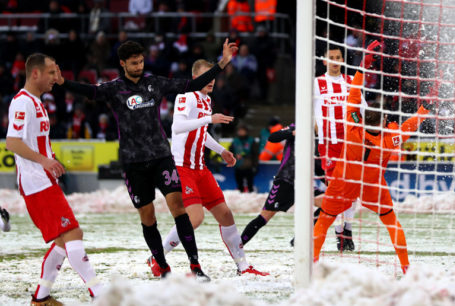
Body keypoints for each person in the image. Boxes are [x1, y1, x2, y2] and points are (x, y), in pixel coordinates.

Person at [54, 39, 238, 279]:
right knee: (148, 216)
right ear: (122, 64)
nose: (139, 66)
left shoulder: (154, 83)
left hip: (162, 157)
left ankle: (196, 266)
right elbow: (90, 91)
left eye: (141, 61)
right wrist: (62, 82)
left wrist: (222, 63)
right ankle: (162, 266)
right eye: (134, 63)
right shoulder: (115, 89)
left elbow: (194, 83)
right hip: (133, 163)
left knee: (179, 208)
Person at [312, 41, 432, 274]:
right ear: (384, 122)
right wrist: (424, 108)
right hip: (372, 184)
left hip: (344, 179)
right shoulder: (389, 139)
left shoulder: (352, 128)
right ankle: (406, 267)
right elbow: (408, 125)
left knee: (324, 219)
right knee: (390, 221)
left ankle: (313, 262)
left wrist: (362, 66)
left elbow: (354, 96)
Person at [149, 59, 268, 277]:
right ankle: (157, 258)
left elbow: (200, 133)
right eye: (207, 76)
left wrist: (221, 150)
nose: (211, 81)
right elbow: (177, 127)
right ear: (196, 78)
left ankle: (243, 266)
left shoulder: (207, 101)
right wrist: (209, 118)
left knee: (226, 215)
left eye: (213, 76)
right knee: (195, 218)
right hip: (181, 167)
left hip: (200, 168)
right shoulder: (186, 96)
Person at [6, 53, 103, 305]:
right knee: (73, 233)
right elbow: (12, 142)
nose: (56, 77)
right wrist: (44, 161)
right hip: (36, 182)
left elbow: (34, 141)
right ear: (35, 73)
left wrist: (51, 159)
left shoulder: (38, 102)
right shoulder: (22, 102)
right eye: (51, 72)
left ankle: (41, 298)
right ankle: (100, 294)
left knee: (62, 241)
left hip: (44, 180)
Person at [313, 44, 365, 251]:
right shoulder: (316, 84)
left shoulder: (352, 82)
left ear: (342, 60)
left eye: (338, 57)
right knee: (336, 191)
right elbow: (306, 110)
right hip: (330, 146)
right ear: (324, 61)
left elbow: (363, 109)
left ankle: (347, 231)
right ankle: (337, 231)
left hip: (351, 144)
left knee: (352, 190)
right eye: (331, 57)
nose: (335, 61)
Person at [241, 124, 324, 245]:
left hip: (304, 183)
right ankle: (238, 245)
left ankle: (300, 238)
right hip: (286, 179)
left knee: (328, 204)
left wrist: (329, 181)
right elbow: (273, 137)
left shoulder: (321, 139)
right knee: (264, 217)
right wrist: (293, 133)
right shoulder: (298, 125)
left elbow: (318, 167)